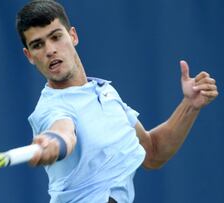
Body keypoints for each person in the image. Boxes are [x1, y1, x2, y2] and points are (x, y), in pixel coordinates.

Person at [15, 1, 219, 202]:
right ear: (29, 56)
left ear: (73, 36)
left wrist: (190, 105)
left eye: (56, 37)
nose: (50, 50)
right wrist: (53, 143)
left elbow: (152, 152)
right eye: (38, 45)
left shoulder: (105, 92)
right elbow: (63, 132)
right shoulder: (50, 109)